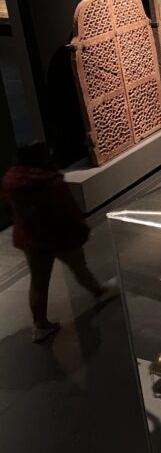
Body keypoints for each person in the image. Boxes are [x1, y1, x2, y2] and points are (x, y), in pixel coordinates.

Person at [1, 142, 118, 342]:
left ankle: (40, 326)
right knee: (79, 268)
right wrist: (81, 228)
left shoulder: (11, 180)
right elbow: (68, 209)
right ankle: (100, 292)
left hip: (31, 239)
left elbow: (7, 205)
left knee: (38, 282)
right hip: (59, 236)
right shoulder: (50, 182)